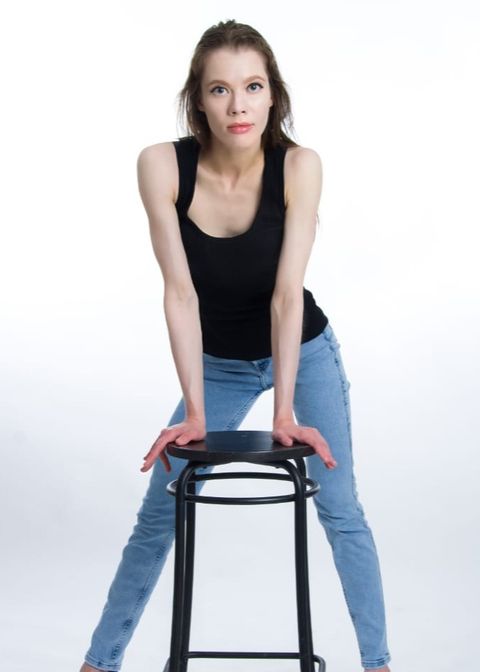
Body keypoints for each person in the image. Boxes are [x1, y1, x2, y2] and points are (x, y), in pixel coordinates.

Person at [79, 19, 391, 672]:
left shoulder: (299, 166)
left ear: (274, 94)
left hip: (301, 349)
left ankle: (379, 664)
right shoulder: (162, 165)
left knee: (341, 509)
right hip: (217, 364)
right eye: (219, 89)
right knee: (158, 512)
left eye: (253, 86)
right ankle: (98, 663)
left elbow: (286, 297)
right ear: (198, 100)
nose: (238, 105)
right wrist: (194, 410)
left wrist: (284, 411)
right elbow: (180, 295)